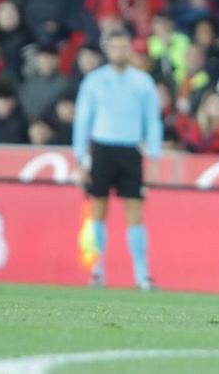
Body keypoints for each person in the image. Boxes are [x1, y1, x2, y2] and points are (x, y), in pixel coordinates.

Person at [72, 29, 164, 291]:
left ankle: (141, 274)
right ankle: (98, 270)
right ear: (107, 50)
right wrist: (80, 157)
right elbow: (82, 121)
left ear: (130, 49)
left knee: (135, 212)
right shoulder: (94, 81)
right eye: (114, 47)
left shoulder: (143, 82)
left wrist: (154, 156)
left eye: (123, 47)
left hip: (130, 150)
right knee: (98, 211)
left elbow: (152, 121)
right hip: (101, 149)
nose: (119, 52)